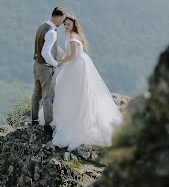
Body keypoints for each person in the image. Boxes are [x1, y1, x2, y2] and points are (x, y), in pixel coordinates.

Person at [41, 13, 123, 151]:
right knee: (69, 91)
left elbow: (72, 56)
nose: (66, 26)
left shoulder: (73, 38)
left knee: (70, 92)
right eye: (65, 24)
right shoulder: (73, 36)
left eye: (69, 24)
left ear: (73, 24)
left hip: (76, 66)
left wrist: (60, 62)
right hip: (78, 64)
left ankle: (71, 119)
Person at [31, 6, 66, 136]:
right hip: (45, 67)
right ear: (58, 17)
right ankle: (48, 125)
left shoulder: (41, 26)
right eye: (62, 20)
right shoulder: (52, 32)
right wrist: (55, 63)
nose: (62, 23)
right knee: (48, 96)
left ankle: (34, 120)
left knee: (36, 94)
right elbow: (45, 52)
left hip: (36, 65)